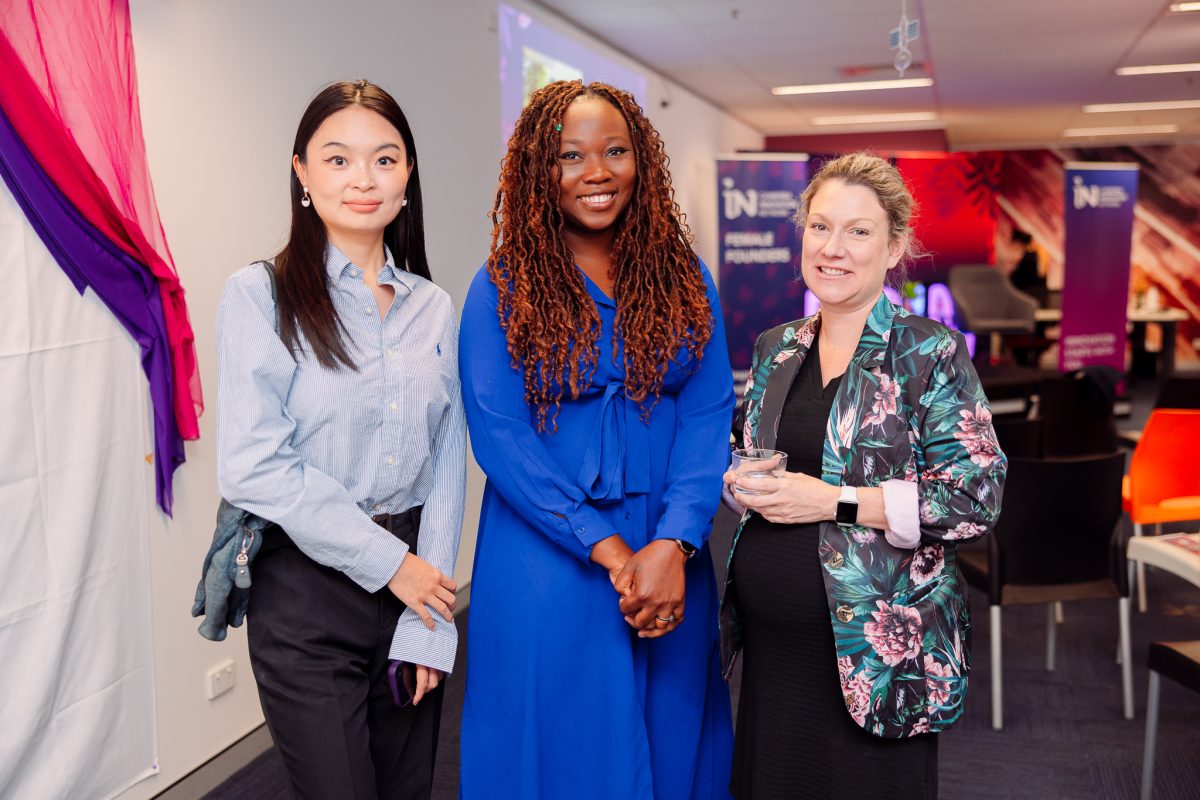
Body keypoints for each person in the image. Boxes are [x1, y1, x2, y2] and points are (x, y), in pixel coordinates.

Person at [458, 80, 735, 800]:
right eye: (571, 156)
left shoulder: (686, 280)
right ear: (538, 172)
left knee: (674, 733)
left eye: (615, 151)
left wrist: (673, 544)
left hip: (671, 554)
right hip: (548, 556)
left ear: (642, 158)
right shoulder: (500, 288)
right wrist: (607, 547)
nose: (597, 172)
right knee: (555, 742)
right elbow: (500, 436)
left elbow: (709, 419)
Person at [721, 153, 1007, 799]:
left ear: (894, 245)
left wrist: (834, 501)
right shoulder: (777, 346)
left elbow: (974, 497)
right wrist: (742, 482)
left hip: (875, 655)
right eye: (820, 227)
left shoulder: (928, 351)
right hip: (773, 649)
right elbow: (753, 457)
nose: (833, 249)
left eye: (858, 231)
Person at [215, 80, 464, 800]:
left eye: (384, 159)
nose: (363, 180)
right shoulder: (258, 295)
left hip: (414, 590)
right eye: (338, 159)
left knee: (409, 789)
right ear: (302, 172)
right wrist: (394, 566)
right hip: (304, 591)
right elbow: (255, 468)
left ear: (408, 175)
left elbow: (447, 461)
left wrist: (431, 619)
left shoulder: (433, 307)